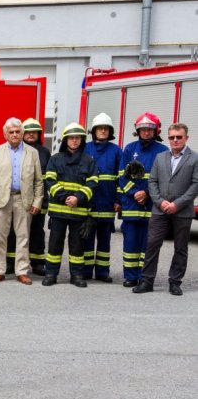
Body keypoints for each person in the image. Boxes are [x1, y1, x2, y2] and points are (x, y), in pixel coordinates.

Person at [133, 123, 198, 296]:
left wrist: (178, 204)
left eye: (179, 137)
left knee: (181, 247)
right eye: (172, 137)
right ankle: (147, 281)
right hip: (159, 210)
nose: (175, 140)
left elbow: (196, 184)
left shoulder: (195, 158)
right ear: (168, 138)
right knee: (152, 244)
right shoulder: (160, 157)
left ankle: (175, 282)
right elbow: (152, 181)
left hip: (182, 211)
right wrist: (160, 202)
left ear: (186, 138)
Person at [0, 117, 43, 285]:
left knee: (23, 237)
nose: (15, 134)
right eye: (12, 132)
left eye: (18, 131)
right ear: (5, 134)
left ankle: (22, 271)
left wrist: (37, 202)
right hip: (2, 200)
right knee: (0, 237)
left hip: (23, 199)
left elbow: (39, 181)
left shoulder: (32, 153)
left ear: (22, 133)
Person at [42, 123, 99, 288]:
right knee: (54, 244)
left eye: (78, 138)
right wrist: (67, 197)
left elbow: (93, 182)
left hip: (78, 211)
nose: (75, 141)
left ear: (82, 140)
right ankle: (51, 274)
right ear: (66, 140)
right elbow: (50, 181)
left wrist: (78, 198)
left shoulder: (89, 161)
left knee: (77, 245)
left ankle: (77, 275)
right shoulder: (55, 159)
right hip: (59, 212)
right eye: (71, 138)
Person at [117, 113, 168, 288]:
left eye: (150, 130)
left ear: (156, 131)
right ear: (138, 131)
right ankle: (130, 276)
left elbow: (165, 179)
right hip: (132, 205)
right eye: (143, 129)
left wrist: (146, 192)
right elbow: (121, 177)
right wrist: (134, 192)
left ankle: (144, 276)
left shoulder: (163, 151)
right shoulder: (130, 149)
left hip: (152, 205)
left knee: (148, 243)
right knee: (130, 242)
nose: (146, 132)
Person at [5, 118, 52, 276]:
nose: (31, 135)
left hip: (38, 199)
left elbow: (44, 179)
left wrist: (42, 201)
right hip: (19, 198)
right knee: (13, 231)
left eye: (35, 132)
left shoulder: (44, 152)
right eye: (29, 132)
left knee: (37, 232)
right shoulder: (16, 150)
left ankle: (37, 263)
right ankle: (11, 262)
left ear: (39, 134)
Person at [81, 113, 122, 283]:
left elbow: (121, 176)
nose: (103, 131)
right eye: (100, 128)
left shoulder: (116, 150)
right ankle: (86, 271)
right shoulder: (85, 148)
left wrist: (119, 199)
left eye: (106, 128)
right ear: (94, 131)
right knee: (87, 238)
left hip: (107, 203)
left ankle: (103, 272)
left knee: (105, 240)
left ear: (110, 131)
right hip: (88, 202)